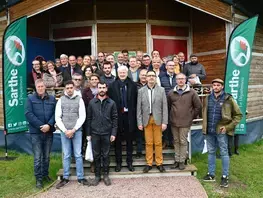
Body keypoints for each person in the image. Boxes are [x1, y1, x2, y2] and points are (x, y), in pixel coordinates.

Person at [202, 78, 242, 188]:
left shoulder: (228, 99)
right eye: (214, 85)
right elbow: (204, 113)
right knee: (211, 152)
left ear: (222, 86)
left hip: (221, 131)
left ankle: (225, 176)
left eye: (218, 85)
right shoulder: (207, 98)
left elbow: (238, 115)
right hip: (209, 130)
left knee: (224, 153)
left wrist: (228, 127)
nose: (216, 87)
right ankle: (211, 174)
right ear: (212, 87)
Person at [55, 80, 90, 188]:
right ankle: (65, 177)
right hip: (64, 131)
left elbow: (82, 116)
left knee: (78, 154)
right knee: (66, 155)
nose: (70, 90)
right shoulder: (61, 100)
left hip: (77, 131)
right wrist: (65, 130)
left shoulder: (79, 100)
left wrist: (74, 129)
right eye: (68, 88)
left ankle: (80, 177)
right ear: (65, 89)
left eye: (71, 87)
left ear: (74, 88)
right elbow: (58, 117)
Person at [25, 79, 56, 189]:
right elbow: (28, 114)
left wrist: (49, 125)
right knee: (38, 157)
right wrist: (41, 126)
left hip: (48, 132)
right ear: (36, 88)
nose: (41, 88)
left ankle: (45, 175)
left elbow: (55, 114)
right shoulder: (30, 98)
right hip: (36, 133)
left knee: (46, 157)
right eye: (38, 87)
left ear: (45, 87)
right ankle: (38, 179)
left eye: (42, 86)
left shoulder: (52, 99)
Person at [168, 73, 202, 170]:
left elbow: (198, 106)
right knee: (176, 141)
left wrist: (190, 116)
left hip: (185, 122)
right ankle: (177, 160)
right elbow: (168, 106)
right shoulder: (171, 93)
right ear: (176, 80)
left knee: (183, 141)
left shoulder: (192, 92)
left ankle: (182, 161)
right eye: (178, 79)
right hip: (174, 121)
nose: (180, 81)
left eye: (182, 79)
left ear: (185, 80)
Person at [86, 81, 118, 186]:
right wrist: (88, 133)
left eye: (104, 87)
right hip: (95, 133)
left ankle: (105, 175)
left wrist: (113, 133)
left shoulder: (111, 103)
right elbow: (89, 119)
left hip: (107, 133)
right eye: (100, 87)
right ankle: (97, 176)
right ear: (97, 89)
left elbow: (115, 119)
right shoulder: (92, 102)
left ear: (106, 89)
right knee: (96, 155)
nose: (102, 89)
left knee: (106, 155)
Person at [137, 70, 168, 173]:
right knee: (148, 143)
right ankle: (149, 163)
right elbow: (139, 108)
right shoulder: (141, 91)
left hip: (158, 119)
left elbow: (165, 107)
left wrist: (165, 122)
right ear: (146, 78)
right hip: (146, 119)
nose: (151, 78)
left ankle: (159, 163)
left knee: (158, 142)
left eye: (152, 76)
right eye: (149, 76)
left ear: (155, 78)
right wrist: (139, 122)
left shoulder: (162, 90)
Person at [108, 66, 138, 172]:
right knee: (118, 142)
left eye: (124, 72)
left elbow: (136, 102)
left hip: (129, 116)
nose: (122, 74)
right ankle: (118, 163)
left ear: (127, 73)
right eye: (120, 72)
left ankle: (129, 162)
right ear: (117, 73)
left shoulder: (133, 85)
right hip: (117, 117)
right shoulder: (112, 86)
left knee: (130, 141)